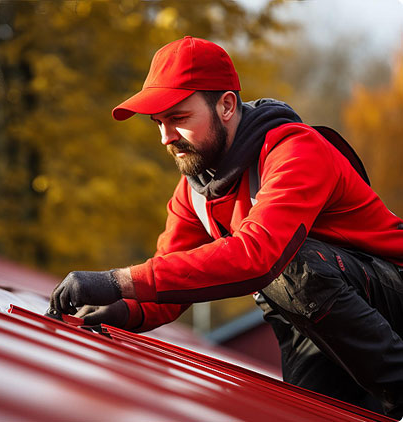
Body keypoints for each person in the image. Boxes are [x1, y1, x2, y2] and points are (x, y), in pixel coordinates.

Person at [47, 36, 403, 418]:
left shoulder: (297, 150)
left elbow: (257, 256)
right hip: (320, 322)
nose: (166, 138)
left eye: (179, 119)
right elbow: (170, 277)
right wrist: (121, 307)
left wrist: (117, 280)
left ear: (227, 105)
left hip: (389, 297)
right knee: (310, 413)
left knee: (289, 269)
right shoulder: (195, 191)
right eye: (159, 123)